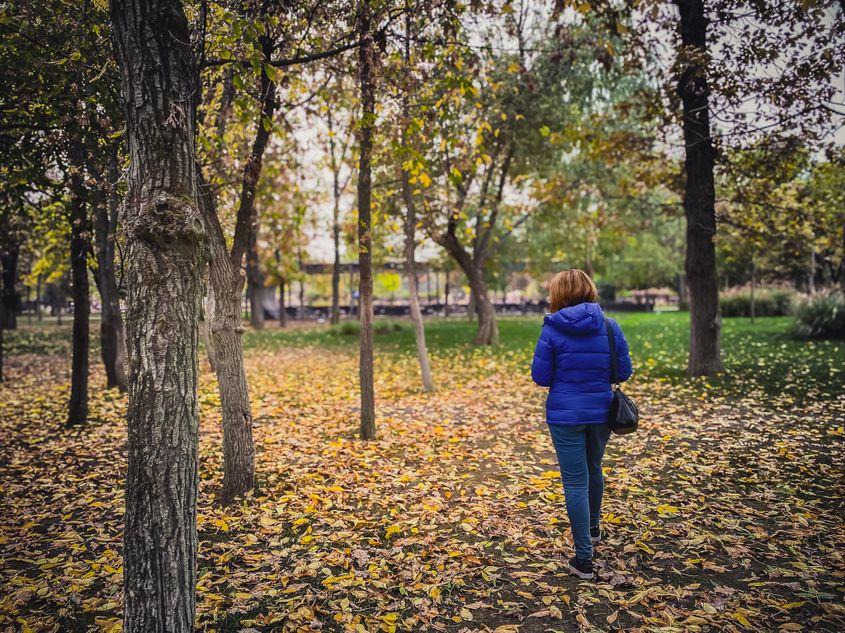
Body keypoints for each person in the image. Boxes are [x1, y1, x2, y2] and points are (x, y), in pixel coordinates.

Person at [531, 269, 632, 580]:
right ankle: (592, 528)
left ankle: (583, 558)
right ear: (589, 290)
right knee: (594, 469)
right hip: (601, 412)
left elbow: (541, 377)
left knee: (575, 482)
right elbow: (623, 371)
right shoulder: (609, 326)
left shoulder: (551, 329)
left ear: (558, 295)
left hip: (565, 416)